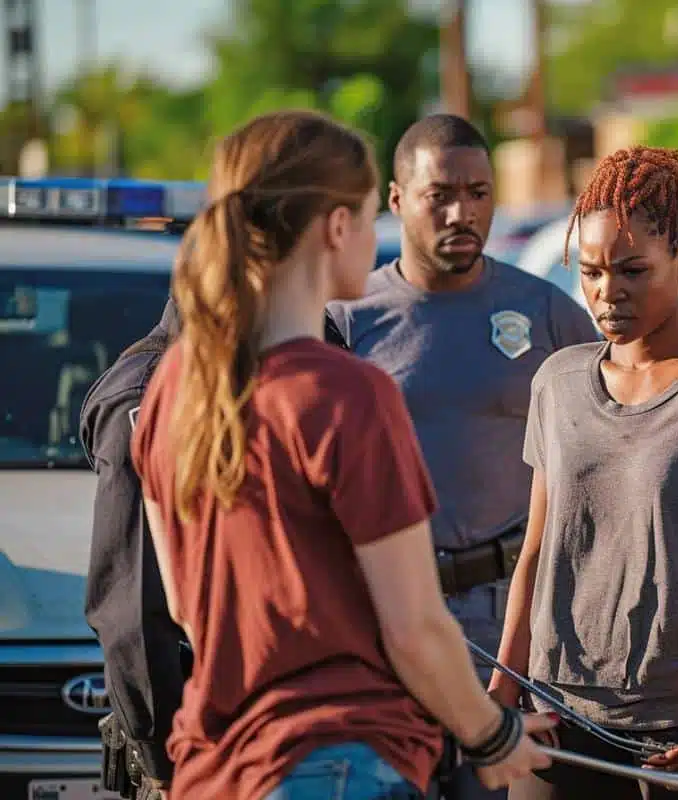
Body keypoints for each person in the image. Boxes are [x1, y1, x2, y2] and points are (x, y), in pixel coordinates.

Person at [128, 108, 555, 800]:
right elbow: (415, 628)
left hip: (215, 768)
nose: (373, 240)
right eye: (367, 218)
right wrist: (491, 733)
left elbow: (185, 606)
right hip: (340, 763)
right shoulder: (349, 393)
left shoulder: (175, 382)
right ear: (335, 227)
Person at [487, 145, 678, 800]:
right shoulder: (557, 382)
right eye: (592, 272)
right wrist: (504, 687)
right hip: (557, 715)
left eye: (633, 270)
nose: (608, 292)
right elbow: (539, 551)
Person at [324, 113, 596, 800]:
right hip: (383, 617)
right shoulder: (347, 319)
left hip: (509, 626)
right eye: (439, 194)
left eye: (478, 192)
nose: (461, 212)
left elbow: (601, 460)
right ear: (396, 201)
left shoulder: (546, 313)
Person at [82, 298, 187, 800]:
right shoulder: (150, 393)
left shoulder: (307, 350)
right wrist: (162, 757)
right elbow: (134, 609)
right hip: (191, 753)